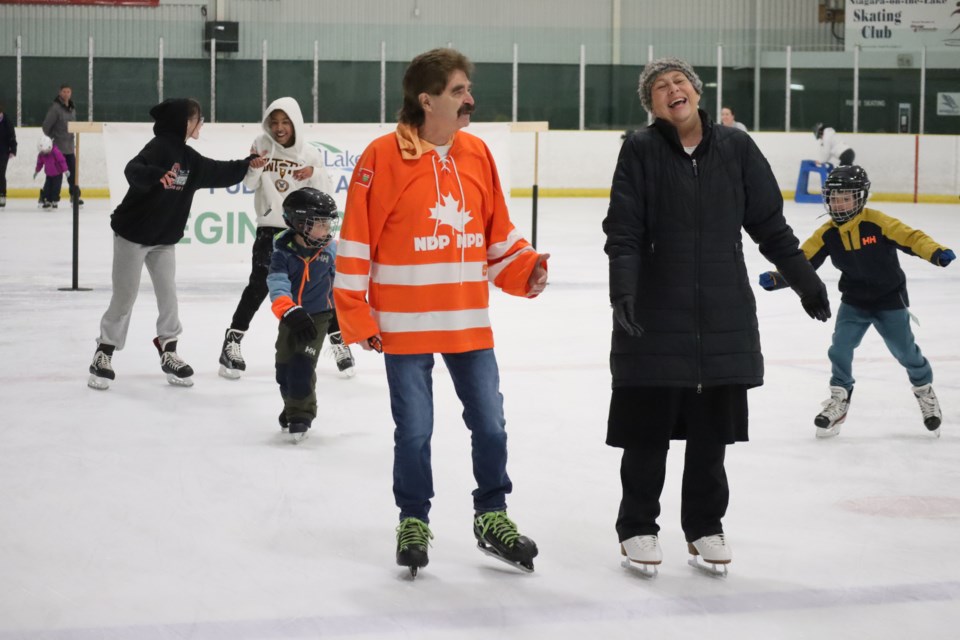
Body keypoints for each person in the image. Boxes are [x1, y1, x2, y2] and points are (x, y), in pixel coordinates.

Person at [604, 57, 831, 576]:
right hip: (656, 310)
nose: (672, 89)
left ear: (696, 92)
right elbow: (624, 230)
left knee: (711, 435)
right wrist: (623, 292)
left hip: (723, 311)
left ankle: (704, 526)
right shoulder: (639, 150)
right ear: (653, 106)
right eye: (660, 87)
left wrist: (804, 278)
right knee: (648, 430)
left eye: (679, 81)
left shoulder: (736, 147)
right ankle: (638, 525)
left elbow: (769, 225)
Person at [333, 47, 549, 577]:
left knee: (492, 427)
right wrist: (357, 318)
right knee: (414, 432)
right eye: (458, 91)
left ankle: (491, 516)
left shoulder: (476, 153)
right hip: (402, 327)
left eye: (467, 89)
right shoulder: (382, 157)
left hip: (466, 320)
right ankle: (413, 518)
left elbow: (495, 235)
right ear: (426, 100)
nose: (469, 98)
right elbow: (356, 243)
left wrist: (526, 270)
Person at [759, 165, 953, 438]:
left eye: (845, 198)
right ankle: (840, 399)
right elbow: (803, 261)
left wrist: (935, 252)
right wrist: (778, 278)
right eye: (833, 198)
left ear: (860, 198)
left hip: (890, 300)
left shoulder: (877, 222)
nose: (838, 204)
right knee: (840, 349)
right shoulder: (827, 233)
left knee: (906, 353)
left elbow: (911, 237)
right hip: (854, 301)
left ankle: (925, 391)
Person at [87, 98, 268, 391]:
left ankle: (168, 349)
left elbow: (219, 171)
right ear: (185, 122)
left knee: (168, 297)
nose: (201, 123)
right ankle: (103, 353)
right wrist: (157, 175)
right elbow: (133, 169)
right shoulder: (158, 147)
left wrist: (248, 164)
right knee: (124, 297)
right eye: (198, 118)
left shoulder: (190, 159)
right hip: (131, 236)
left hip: (163, 241)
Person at [219, 97, 355, 380]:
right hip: (270, 227)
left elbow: (327, 191)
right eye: (274, 122)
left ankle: (338, 341)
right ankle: (232, 341)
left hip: (306, 229)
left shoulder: (311, 153)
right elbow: (249, 183)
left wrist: (313, 173)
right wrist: (255, 165)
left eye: (285, 122)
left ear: (295, 124)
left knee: (323, 286)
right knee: (259, 285)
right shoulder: (261, 143)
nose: (279, 128)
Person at [267, 188, 340, 442]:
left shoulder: (331, 251)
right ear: (298, 224)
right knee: (283, 369)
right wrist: (289, 310)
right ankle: (291, 406)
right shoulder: (282, 253)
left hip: (319, 317)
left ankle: (301, 415)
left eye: (328, 223)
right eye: (318, 224)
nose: (326, 230)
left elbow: (349, 279)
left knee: (301, 366)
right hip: (291, 318)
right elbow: (277, 287)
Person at [42, 83, 82, 206]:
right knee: (55, 175)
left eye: (68, 92)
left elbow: (73, 125)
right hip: (57, 148)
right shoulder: (55, 108)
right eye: (64, 91)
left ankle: (74, 196)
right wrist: (53, 140)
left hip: (69, 147)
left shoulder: (72, 108)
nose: (66, 94)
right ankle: (49, 198)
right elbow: (46, 127)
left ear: (71, 93)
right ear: (60, 93)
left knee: (73, 174)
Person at [34, 134, 68, 209]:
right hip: (49, 174)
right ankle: (47, 200)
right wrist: (36, 171)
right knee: (47, 187)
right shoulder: (41, 154)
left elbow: (62, 161)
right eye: (43, 152)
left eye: (46, 152)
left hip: (58, 174)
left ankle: (54, 201)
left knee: (56, 188)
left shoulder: (56, 152)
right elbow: (39, 163)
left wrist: (66, 170)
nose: (45, 154)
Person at [0, 101, 16, 208]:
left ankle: (2, 195)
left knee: (1, 173)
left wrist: (13, 150)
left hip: (3, 151)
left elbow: (12, 136)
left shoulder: (7, 121)